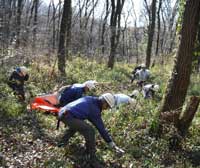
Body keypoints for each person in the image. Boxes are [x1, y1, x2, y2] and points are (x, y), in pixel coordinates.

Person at [57, 93, 124, 164]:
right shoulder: (94, 109)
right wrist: (111, 144)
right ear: (104, 102)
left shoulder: (90, 98)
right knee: (90, 130)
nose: (106, 109)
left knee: (78, 126)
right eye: (107, 107)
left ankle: (62, 143)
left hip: (63, 111)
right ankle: (91, 157)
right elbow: (101, 129)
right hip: (67, 116)